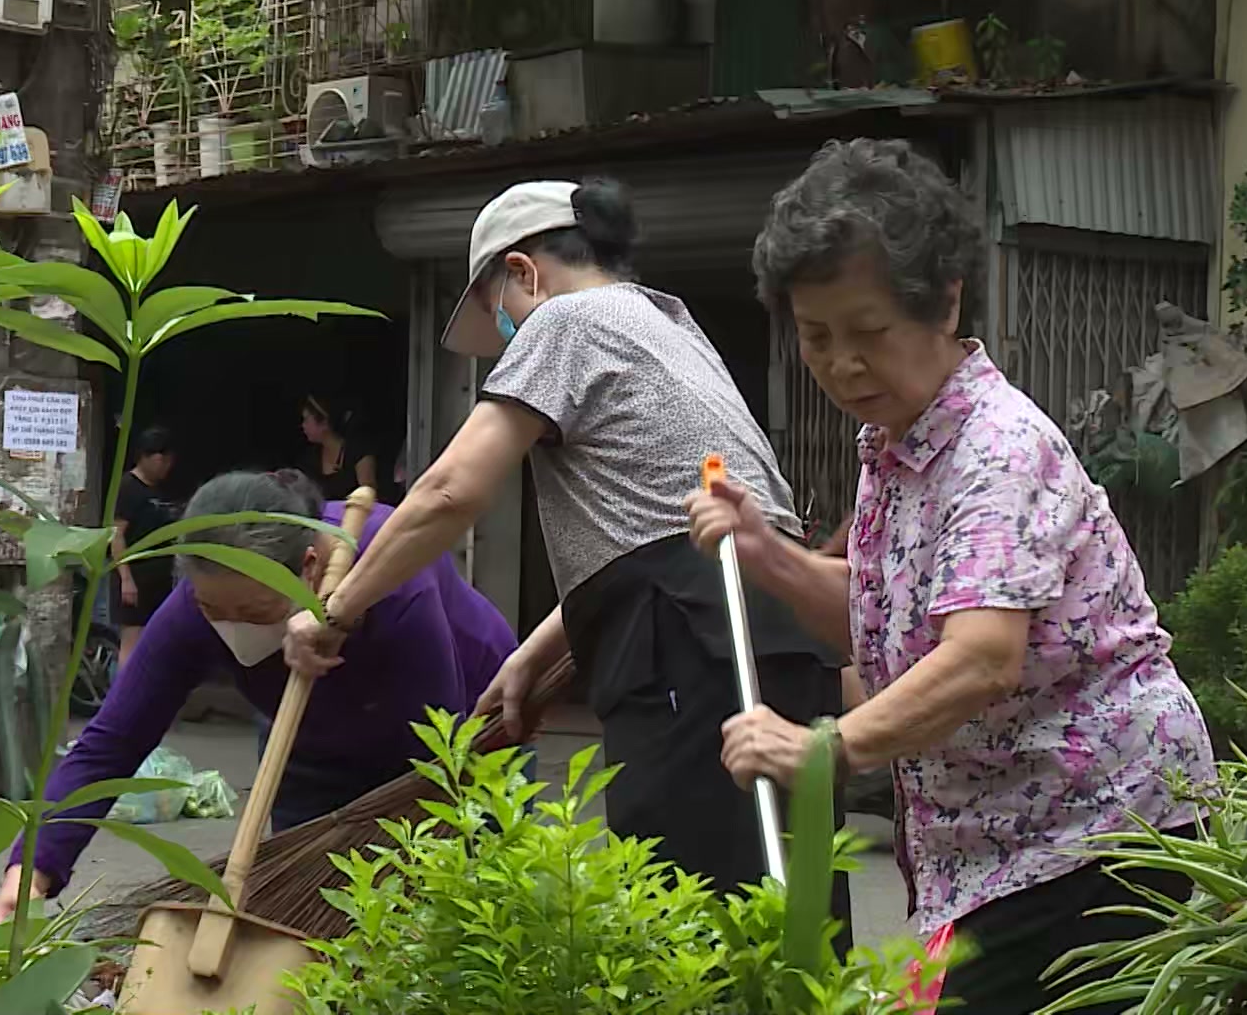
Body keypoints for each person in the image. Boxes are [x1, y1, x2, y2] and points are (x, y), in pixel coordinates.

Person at [685, 139, 1216, 1013]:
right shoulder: (897, 447)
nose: (842, 364)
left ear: (945, 305)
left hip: (1098, 838)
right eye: (816, 337)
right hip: (983, 855)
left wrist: (827, 748)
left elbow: (980, 656)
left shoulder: (997, 450)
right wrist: (767, 551)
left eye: (868, 333)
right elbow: (876, 623)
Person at [282, 178, 855, 935]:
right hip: (774, 621)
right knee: (790, 898)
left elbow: (449, 491)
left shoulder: (566, 320)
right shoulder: (669, 325)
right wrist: (533, 655)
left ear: (524, 272)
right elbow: (647, 525)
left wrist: (337, 611)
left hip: (691, 635)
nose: (509, 333)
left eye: (500, 313)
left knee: (685, 909)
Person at [0, 469, 515, 924]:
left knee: (457, 910)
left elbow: (439, 767)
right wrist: (34, 869)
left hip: (466, 730)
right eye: (216, 611)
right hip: (308, 744)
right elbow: (112, 741)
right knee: (310, 913)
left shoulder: (395, 578)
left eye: (256, 613)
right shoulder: (194, 608)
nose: (232, 628)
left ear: (309, 567)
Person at [112, 425, 180, 669]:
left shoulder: (157, 490)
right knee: (132, 642)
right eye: (166, 461)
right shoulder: (128, 488)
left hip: (157, 579)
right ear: (153, 457)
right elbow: (116, 535)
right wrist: (126, 579)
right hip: (135, 579)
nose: (167, 468)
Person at [299, 396, 376, 502]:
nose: (303, 426)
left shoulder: (358, 452)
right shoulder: (311, 456)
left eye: (306, 420)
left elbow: (368, 495)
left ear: (324, 423)